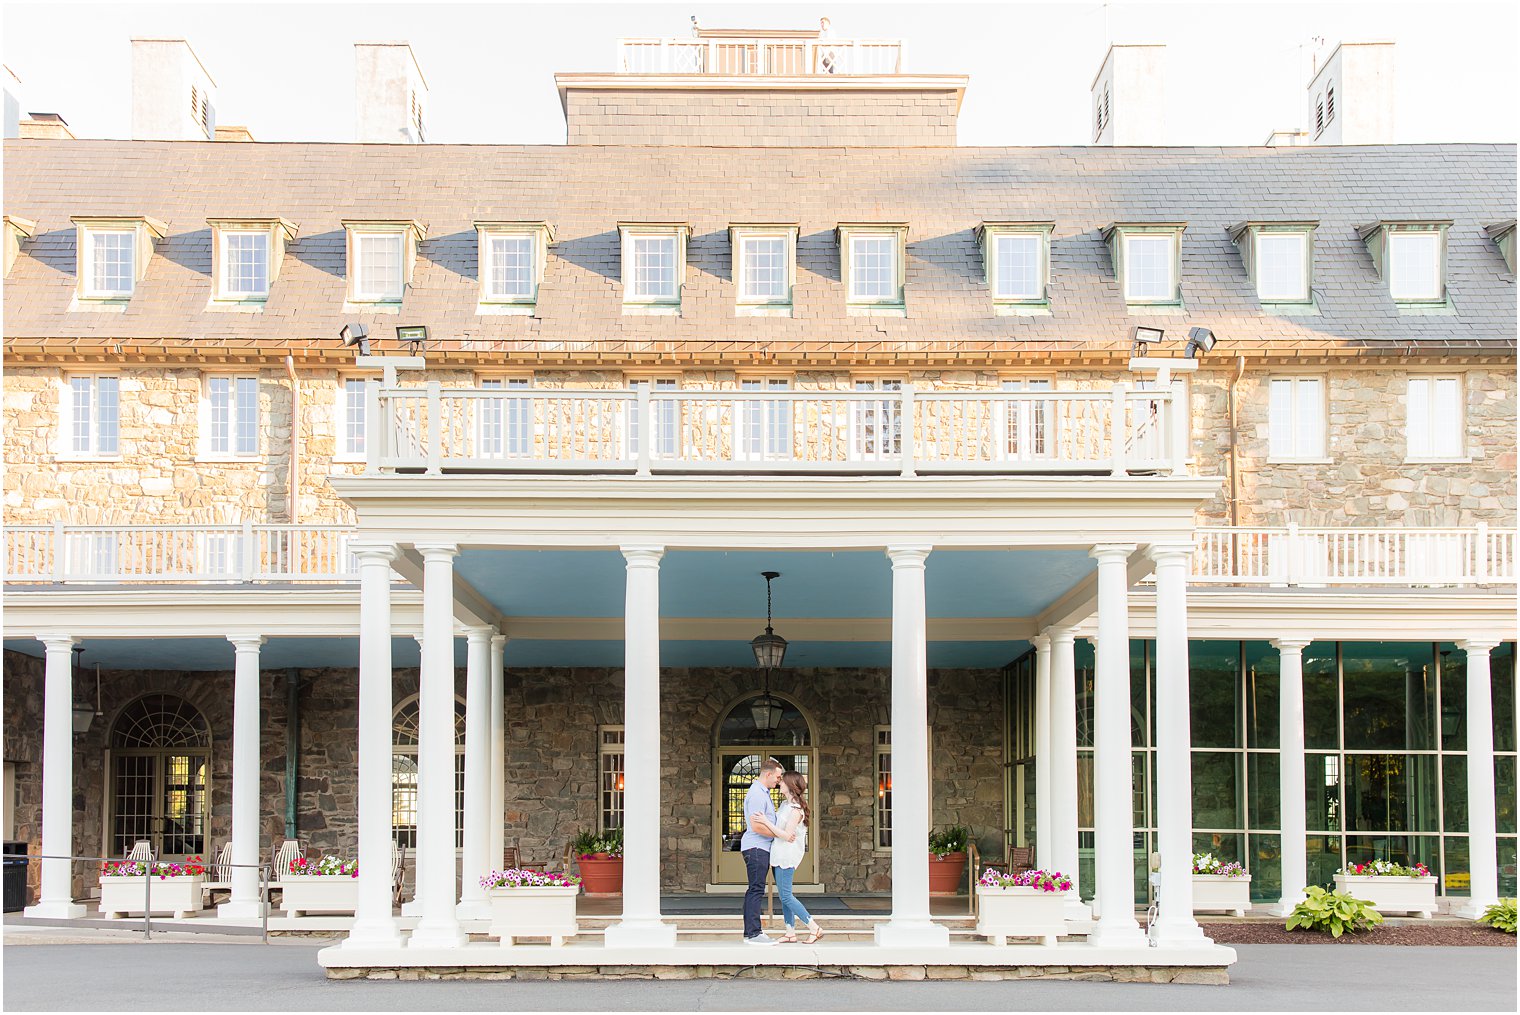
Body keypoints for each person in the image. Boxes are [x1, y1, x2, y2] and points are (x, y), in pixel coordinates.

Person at [764, 771, 823, 944]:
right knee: (783, 896)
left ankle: (814, 927)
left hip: (786, 856)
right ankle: (790, 932)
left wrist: (766, 823)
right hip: (778, 854)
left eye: (782, 781)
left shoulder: (796, 810)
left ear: (790, 785)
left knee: (787, 896)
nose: (779, 783)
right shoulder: (785, 805)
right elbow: (782, 834)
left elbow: (787, 834)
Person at [740, 756, 786, 945]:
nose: (779, 780)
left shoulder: (763, 792)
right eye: (777, 777)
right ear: (768, 774)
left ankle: (751, 932)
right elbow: (756, 826)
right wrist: (780, 835)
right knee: (756, 889)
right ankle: (753, 933)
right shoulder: (758, 794)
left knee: (755, 888)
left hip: (760, 848)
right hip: (757, 847)